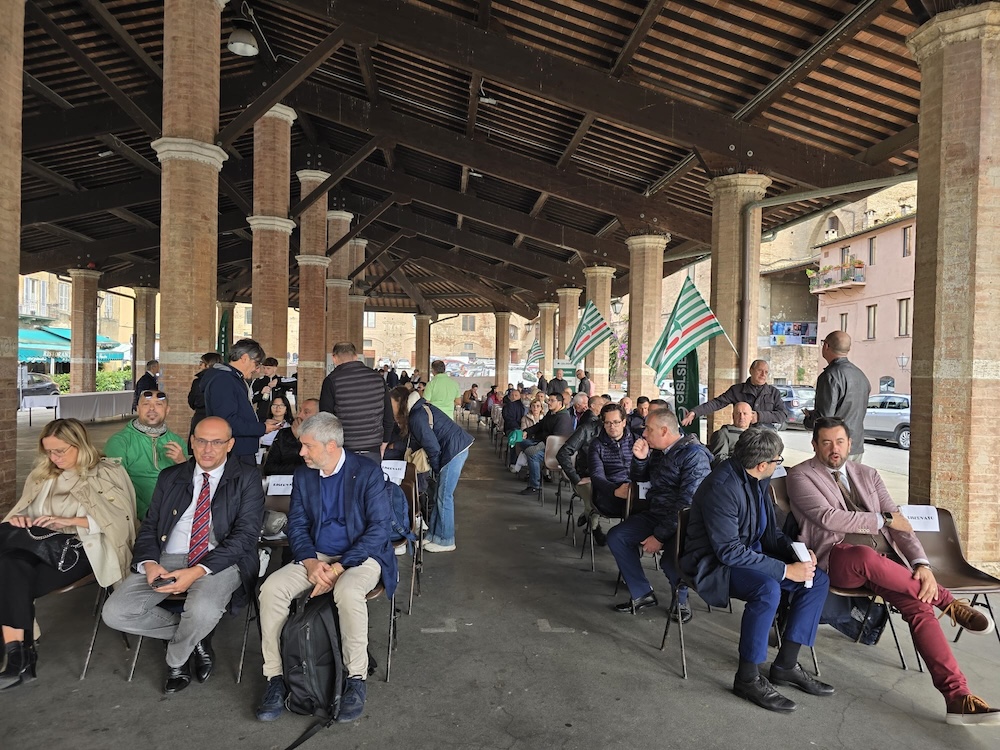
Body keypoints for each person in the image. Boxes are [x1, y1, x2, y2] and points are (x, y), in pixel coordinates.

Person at [786, 416, 1000, 725]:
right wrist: (882, 519)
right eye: (827, 442)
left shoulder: (868, 474)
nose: (834, 448)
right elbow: (829, 518)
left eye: (840, 441)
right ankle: (948, 601)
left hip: (887, 565)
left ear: (850, 442)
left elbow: (901, 526)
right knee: (862, 555)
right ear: (815, 444)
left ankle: (957, 698)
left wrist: (921, 565)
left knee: (921, 609)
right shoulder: (802, 475)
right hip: (838, 558)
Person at [102, 417, 264, 694]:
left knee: (202, 609)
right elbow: (151, 525)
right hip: (169, 557)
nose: (208, 449)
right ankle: (197, 637)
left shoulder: (247, 477)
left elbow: (246, 537)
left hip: (220, 560)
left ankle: (176, 659)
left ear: (230, 445)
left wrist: (197, 571)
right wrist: (150, 564)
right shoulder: (171, 476)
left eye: (217, 442)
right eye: (201, 441)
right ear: (191, 441)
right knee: (115, 613)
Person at [254, 413, 396, 723]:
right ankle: (275, 677)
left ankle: (356, 679)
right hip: (317, 556)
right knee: (271, 590)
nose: (301, 452)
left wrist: (339, 567)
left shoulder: (367, 472)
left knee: (346, 591)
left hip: (361, 557)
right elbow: (299, 524)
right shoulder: (305, 475)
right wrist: (310, 561)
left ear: (330, 445)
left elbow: (379, 529)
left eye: (307, 446)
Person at [681, 427, 833, 713]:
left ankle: (786, 665)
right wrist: (786, 571)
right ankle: (747, 678)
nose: (780, 464)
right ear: (763, 464)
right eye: (778, 460)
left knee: (818, 579)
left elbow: (769, 532)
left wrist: (796, 554)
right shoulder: (722, 487)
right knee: (767, 588)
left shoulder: (757, 478)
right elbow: (728, 551)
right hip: (712, 563)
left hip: (747, 554)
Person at [0, 419, 136, 690]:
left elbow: (123, 521)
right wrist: (23, 520)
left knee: (9, 577)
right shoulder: (42, 476)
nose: (54, 457)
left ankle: (20, 659)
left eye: (61, 451)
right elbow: (25, 511)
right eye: (49, 451)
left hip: (81, 549)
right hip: (37, 546)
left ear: (80, 445)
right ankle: (19, 656)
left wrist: (70, 522)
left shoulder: (106, 472)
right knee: (9, 565)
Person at [609, 408, 711, 615]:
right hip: (657, 513)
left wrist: (659, 536)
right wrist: (640, 459)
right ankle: (642, 593)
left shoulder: (694, 456)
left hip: (685, 523)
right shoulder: (658, 451)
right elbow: (640, 481)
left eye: (648, 429)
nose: (644, 434)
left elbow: (687, 503)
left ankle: (681, 599)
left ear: (664, 431)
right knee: (617, 536)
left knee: (670, 558)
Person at [389, 386, 473, 552]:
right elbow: (417, 441)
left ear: (401, 402)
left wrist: (436, 470)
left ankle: (446, 540)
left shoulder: (416, 416)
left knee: (444, 496)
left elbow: (433, 447)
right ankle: (434, 536)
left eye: (391, 403)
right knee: (439, 495)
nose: (390, 408)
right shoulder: (417, 410)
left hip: (454, 451)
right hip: (454, 448)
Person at [104, 389, 188, 519]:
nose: (152, 409)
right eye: (146, 404)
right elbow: (115, 485)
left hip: (173, 513)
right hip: (134, 516)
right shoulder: (120, 441)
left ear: (168, 410)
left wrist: (183, 463)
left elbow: (190, 483)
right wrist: (147, 515)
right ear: (138, 408)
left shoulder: (177, 441)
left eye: (159, 405)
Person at [201, 338, 280, 464]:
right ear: (244, 358)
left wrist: (262, 423)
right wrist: (261, 428)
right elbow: (228, 421)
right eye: (257, 363)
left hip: (241, 450)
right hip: (235, 453)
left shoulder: (233, 378)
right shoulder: (224, 380)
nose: (257, 370)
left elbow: (240, 413)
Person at [319, 342, 395, 462]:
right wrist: (384, 442)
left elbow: (326, 419)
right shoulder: (377, 378)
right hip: (373, 449)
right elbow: (388, 416)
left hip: (344, 450)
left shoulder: (331, 381)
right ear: (356, 356)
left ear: (334, 358)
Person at [803, 331, 871, 462]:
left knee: (830, 482)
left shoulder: (830, 376)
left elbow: (825, 417)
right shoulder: (860, 375)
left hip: (834, 448)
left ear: (826, 346)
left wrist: (809, 420)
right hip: (855, 444)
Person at [583, 402, 635, 546]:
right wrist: (615, 490)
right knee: (635, 510)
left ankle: (628, 546)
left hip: (634, 490)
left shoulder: (636, 440)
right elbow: (596, 475)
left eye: (616, 422)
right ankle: (626, 545)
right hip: (608, 493)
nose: (612, 427)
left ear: (624, 422)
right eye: (608, 423)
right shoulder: (597, 445)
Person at [681, 359, 787, 429]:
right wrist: (695, 412)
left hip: (767, 436)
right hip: (741, 435)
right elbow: (717, 403)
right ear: (751, 370)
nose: (763, 374)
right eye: (760, 370)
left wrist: (759, 416)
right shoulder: (737, 390)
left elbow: (783, 415)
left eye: (766, 372)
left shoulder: (774, 392)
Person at [517, 392, 574, 496]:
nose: (548, 402)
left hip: (554, 451)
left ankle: (535, 486)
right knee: (522, 442)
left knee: (532, 455)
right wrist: (526, 431)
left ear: (560, 403)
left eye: (552, 400)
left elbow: (556, 442)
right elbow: (539, 425)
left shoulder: (563, 418)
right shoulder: (551, 413)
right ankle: (531, 466)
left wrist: (537, 448)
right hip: (543, 442)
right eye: (549, 400)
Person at [262, 398, 320, 477]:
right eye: (299, 411)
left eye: (306, 412)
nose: (299, 415)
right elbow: (269, 468)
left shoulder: (322, 437)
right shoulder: (284, 434)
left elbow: (315, 467)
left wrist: (299, 439)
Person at [187, 352, 223, 443]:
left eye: (201, 363)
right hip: (219, 419)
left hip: (200, 416)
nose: (200, 366)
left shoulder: (198, 381)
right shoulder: (225, 380)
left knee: (198, 444)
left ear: (208, 364)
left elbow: (191, 401)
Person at [708, 402, 754, 467]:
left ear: (751, 417)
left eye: (745, 413)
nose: (741, 417)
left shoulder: (756, 434)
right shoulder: (724, 433)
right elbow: (719, 460)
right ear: (733, 416)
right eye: (738, 413)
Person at [251, 357, 289, 422]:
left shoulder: (282, 380)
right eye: (264, 368)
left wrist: (278, 381)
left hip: (279, 416)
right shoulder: (258, 381)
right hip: (262, 416)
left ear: (275, 369)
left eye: (268, 368)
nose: (265, 370)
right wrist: (261, 393)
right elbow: (251, 399)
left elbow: (296, 382)